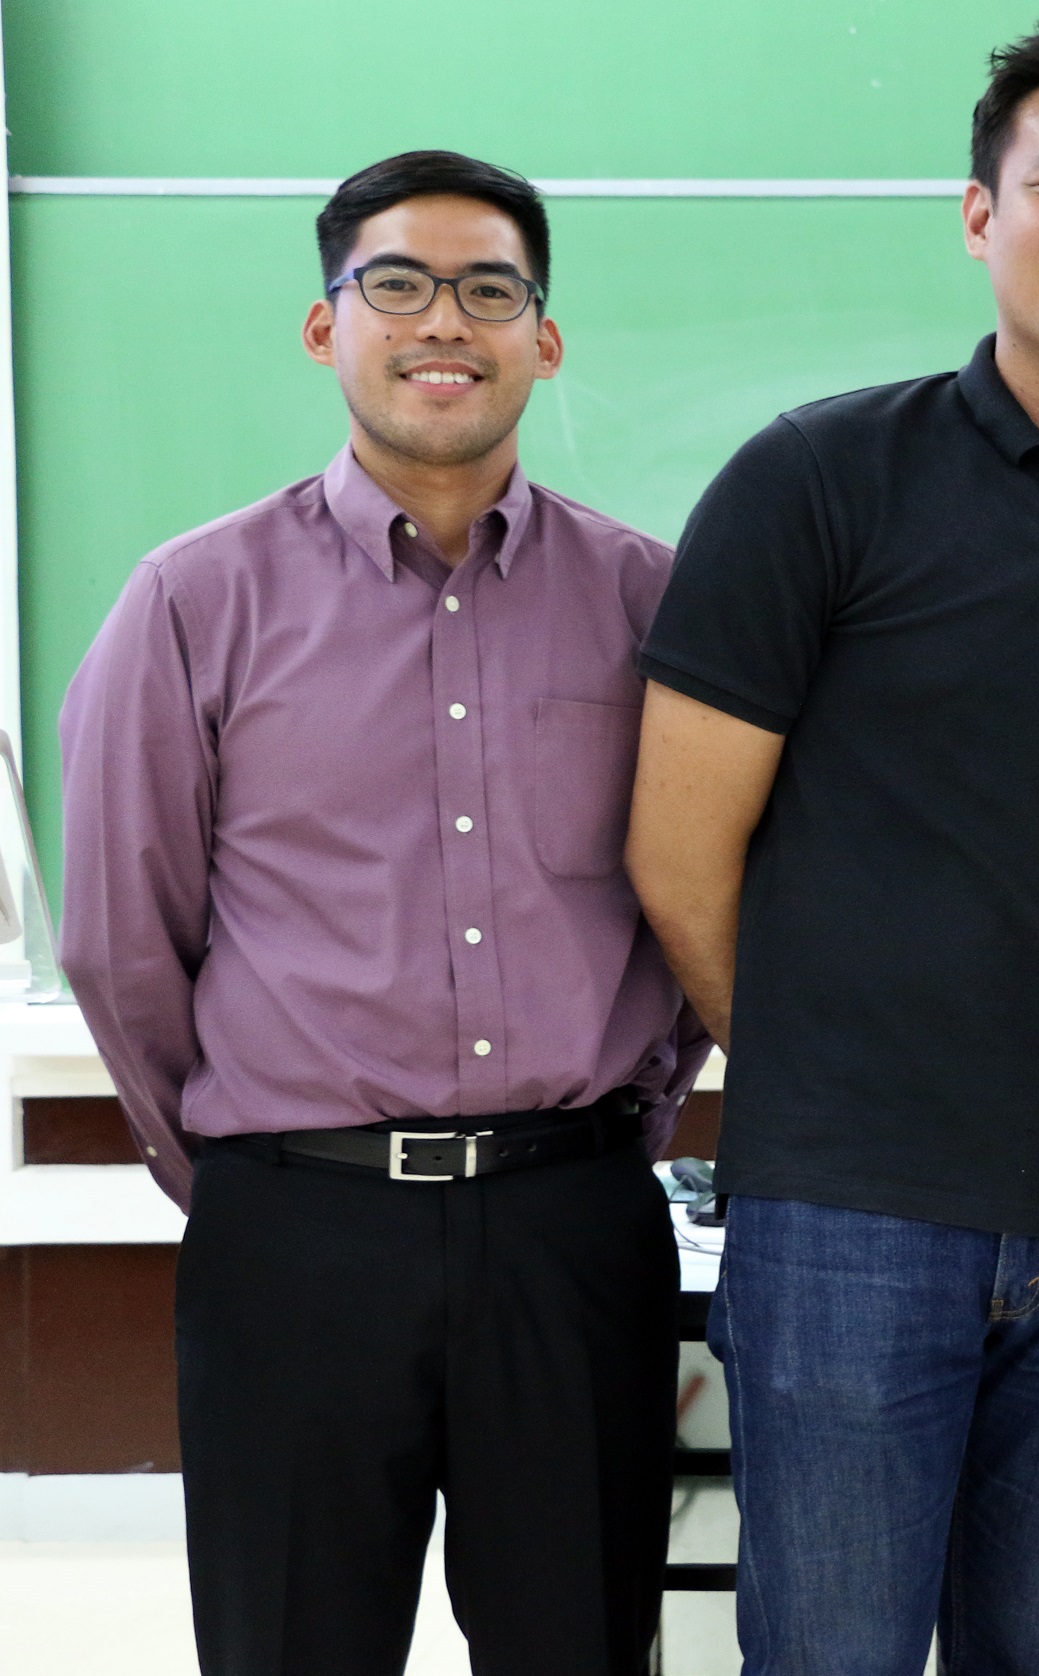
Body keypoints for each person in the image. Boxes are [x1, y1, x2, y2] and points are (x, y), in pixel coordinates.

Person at [624, 21, 1039, 1673]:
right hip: (850, 1219)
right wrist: (837, 1077)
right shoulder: (815, 480)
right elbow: (678, 847)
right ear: (980, 217)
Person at [58, 151, 708, 1676]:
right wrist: (244, 1172)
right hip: (298, 1233)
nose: (445, 323)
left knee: (580, 1647)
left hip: (572, 1226)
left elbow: (698, 901)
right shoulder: (191, 600)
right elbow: (116, 940)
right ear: (323, 324)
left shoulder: (645, 599)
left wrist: (625, 1124)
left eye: (493, 290)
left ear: (544, 338)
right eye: (396, 284)